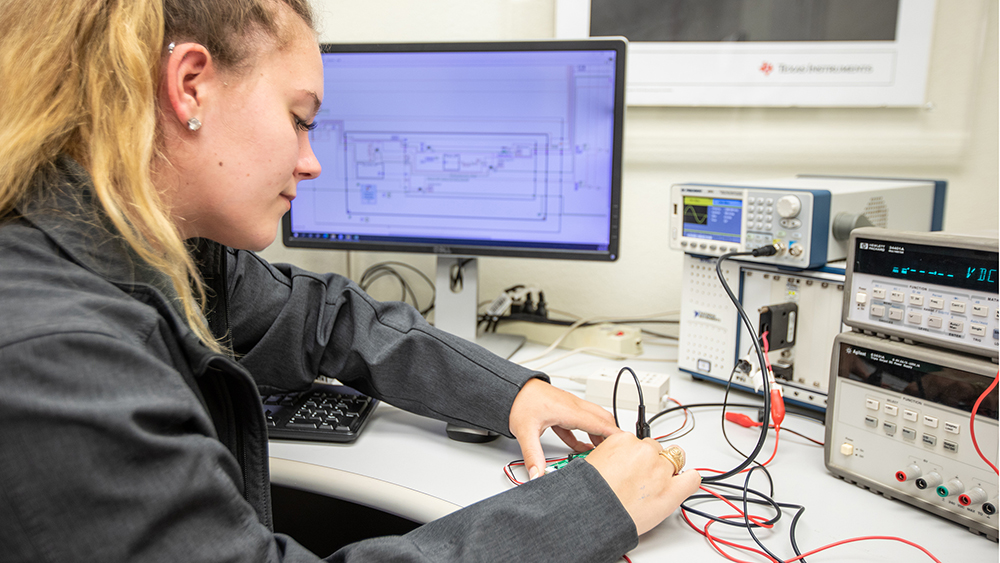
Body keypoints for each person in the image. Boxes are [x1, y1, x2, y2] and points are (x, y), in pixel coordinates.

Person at [0, 0, 701, 561]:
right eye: (299, 119)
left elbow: (325, 319)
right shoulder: (56, 353)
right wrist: (585, 509)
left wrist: (514, 392)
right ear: (190, 85)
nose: (312, 162)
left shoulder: (152, 251)